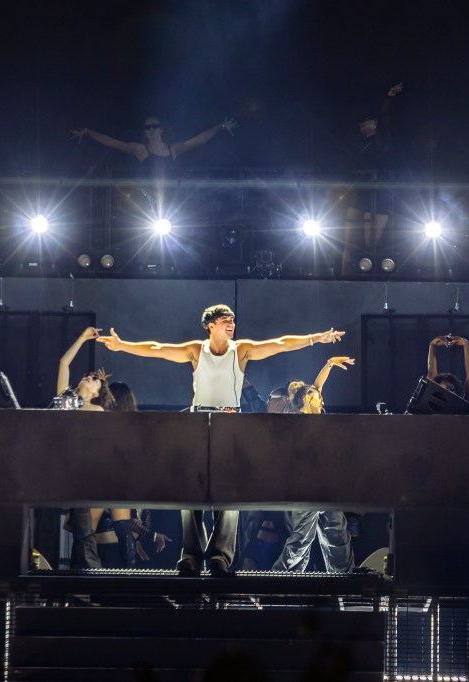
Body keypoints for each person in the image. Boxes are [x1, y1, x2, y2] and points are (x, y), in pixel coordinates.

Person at [96, 304, 345, 577]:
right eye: (225, 320)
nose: (231, 324)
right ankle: (190, 555)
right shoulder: (196, 350)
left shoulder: (241, 350)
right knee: (191, 494)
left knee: (230, 494)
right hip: (198, 422)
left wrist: (316, 338)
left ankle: (220, 557)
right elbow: (157, 348)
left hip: (229, 423)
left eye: (233, 320)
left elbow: (281, 344)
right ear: (210, 325)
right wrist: (122, 346)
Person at [272, 357, 356, 574]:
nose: (319, 398)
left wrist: (328, 364)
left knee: (336, 534)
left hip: (328, 486)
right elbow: (315, 387)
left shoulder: (324, 420)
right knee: (301, 538)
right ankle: (281, 579)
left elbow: (318, 385)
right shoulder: (296, 420)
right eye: (314, 396)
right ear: (306, 400)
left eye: (318, 395)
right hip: (305, 486)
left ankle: (343, 582)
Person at [71, 116, 238, 216]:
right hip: (148, 198)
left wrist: (220, 127)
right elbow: (114, 143)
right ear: (145, 132)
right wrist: (89, 133)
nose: (151, 129)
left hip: (171, 198)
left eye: (154, 126)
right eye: (147, 127)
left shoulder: (173, 149)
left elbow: (198, 139)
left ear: (161, 130)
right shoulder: (141, 150)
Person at [55, 327, 122, 569]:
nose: (89, 378)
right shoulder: (66, 401)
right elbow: (64, 363)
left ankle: (88, 580)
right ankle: (77, 581)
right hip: (56, 470)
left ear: (97, 392)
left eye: (94, 380)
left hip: (83, 476)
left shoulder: (97, 411)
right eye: (89, 376)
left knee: (82, 531)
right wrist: (82, 338)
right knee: (71, 530)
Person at [341, 83, 403, 274]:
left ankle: (371, 279)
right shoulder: (359, 145)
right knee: (348, 241)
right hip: (360, 195)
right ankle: (342, 278)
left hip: (380, 196)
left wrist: (389, 97)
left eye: (366, 122)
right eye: (361, 124)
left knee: (371, 244)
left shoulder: (382, 142)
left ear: (374, 124)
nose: (362, 126)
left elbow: (385, 118)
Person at [426, 334, 469, 405]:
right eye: (441, 390)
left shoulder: (462, 407)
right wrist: (432, 346)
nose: (445, 394)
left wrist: (466, 345)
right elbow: (431, 373)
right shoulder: (431, 407)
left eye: (449, 389)